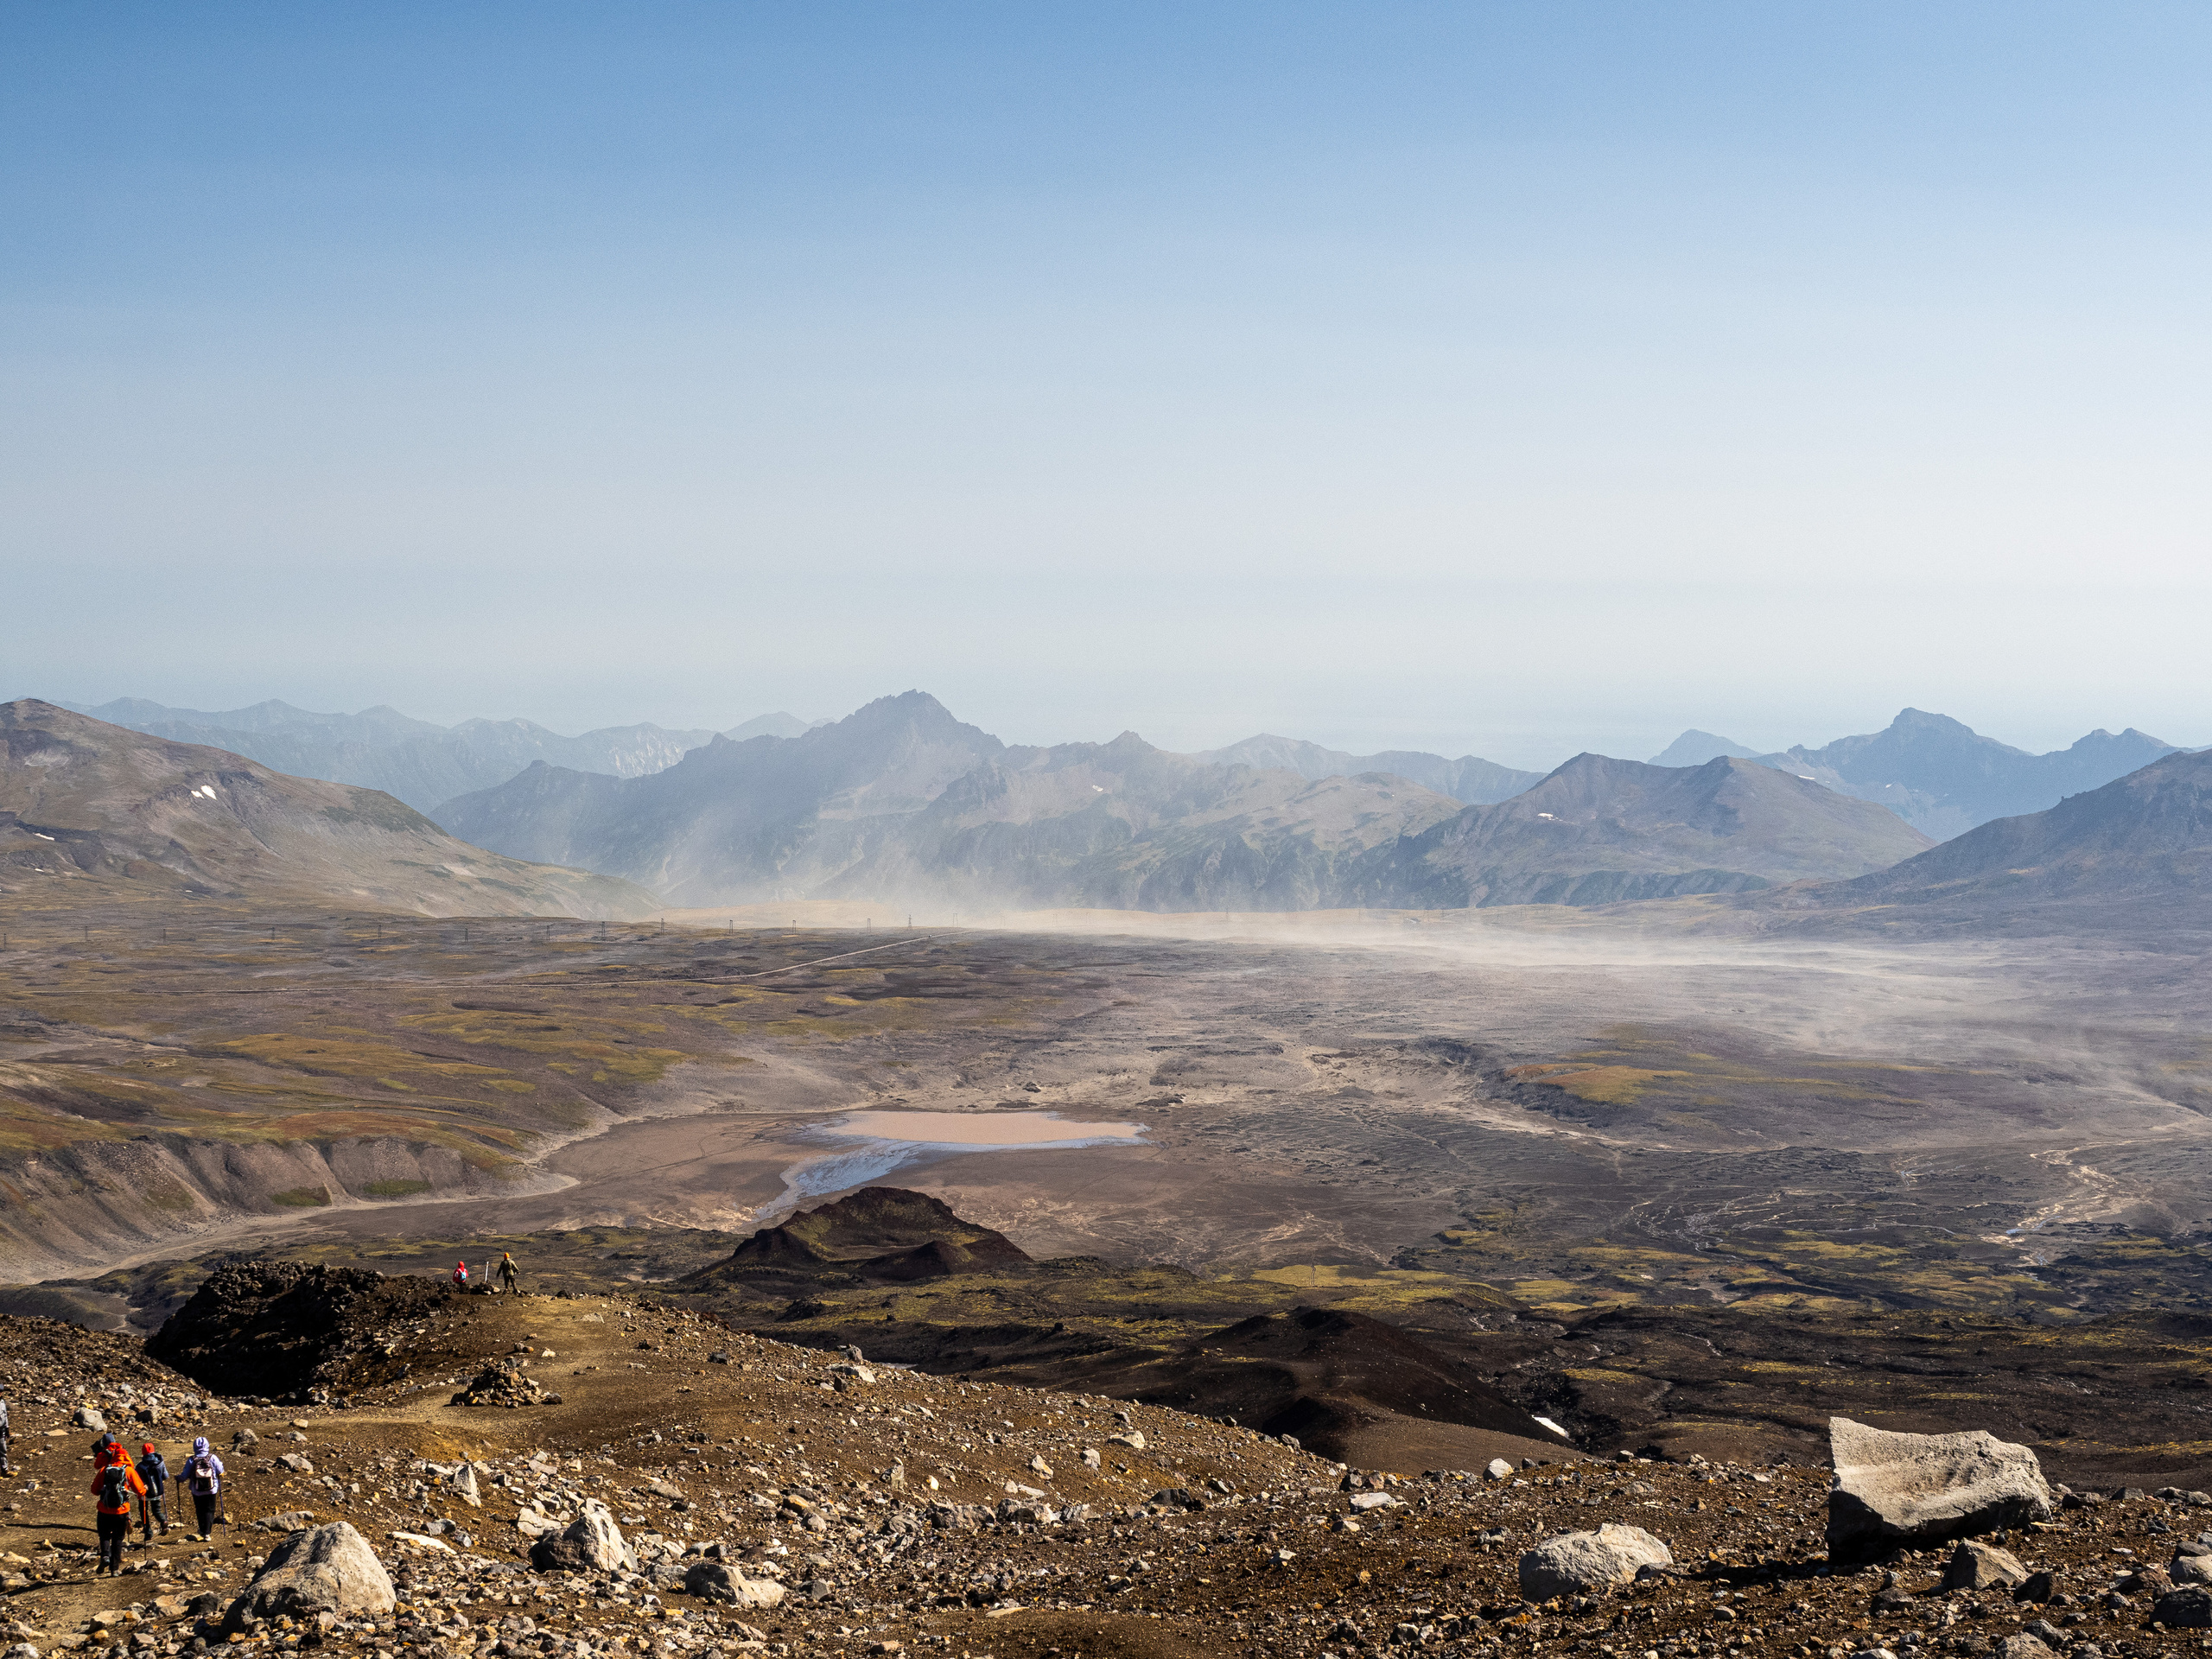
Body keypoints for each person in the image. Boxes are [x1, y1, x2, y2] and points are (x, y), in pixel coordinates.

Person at [90, 1440, 146, 1575]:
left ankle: (104, 1556)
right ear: (127, 1457)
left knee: (104, 1535)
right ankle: (114, 1569)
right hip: (122, 1511)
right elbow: (140, 1491)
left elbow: (94, 1490)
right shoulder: (129, 1471)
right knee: (118, 1539)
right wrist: (145, 1489)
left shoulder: (104, 1470)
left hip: (104, 1509)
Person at [181, 1435, 225, 1542]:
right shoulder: (212, 1457)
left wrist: (178, 1479)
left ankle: (202, 1530)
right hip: (211, 1489)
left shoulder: (192, 1460)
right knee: (210, 1510)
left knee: (200, 1510)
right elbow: (220, 1470)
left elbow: (185, 1475)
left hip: (197, 1490)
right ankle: (207, 1533)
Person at [135, 1440, 170, 1540]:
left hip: (144, 1493)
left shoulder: (140, 1466)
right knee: (156, 1510)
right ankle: (163, 1521)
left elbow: (137, 1480)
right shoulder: (160, 1463)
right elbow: (166, 1476)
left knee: (144, 1512)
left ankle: (148, 1533)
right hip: (157, 1491)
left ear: (143, 1453)